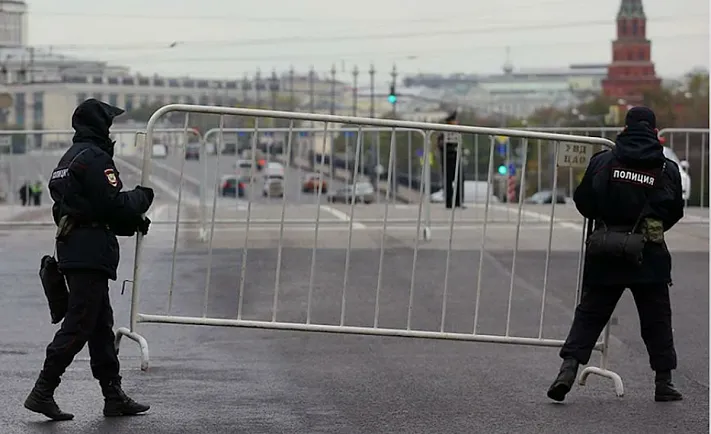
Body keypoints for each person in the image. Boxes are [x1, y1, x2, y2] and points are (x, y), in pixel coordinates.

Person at [24, 99, 155, 421]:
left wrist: (129, 221)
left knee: (99, 326)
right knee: (80, 324)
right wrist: (142, 198)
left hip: (76, 246)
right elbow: (112, 205)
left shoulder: (70, 158)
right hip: (89, 252)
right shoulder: (95, 158)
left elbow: (86, 207)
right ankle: (43, 391)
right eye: (109, 123)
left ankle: (113, 396)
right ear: (100, 126)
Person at [547, 106, 684, 403]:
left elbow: (584, 201)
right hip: (649, 252)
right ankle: (664, 382)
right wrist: (649, 228)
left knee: (590, 314)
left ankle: (568, 370)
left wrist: (608, 222)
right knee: (656, 318)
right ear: (655, 132)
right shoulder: (665, 169)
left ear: (624, 129)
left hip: (606, 249)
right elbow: (675, 211)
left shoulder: (604, 161)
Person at [437, 111, 464, 209]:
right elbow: (440, 145)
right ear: (450, 122)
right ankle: (449, 202)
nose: (456, 122)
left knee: (459, 180)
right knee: (448, 181)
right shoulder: (444, 133)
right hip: (447, 160)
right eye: (454, 120)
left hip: (456, 159)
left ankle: (458, 202)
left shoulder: (457, 132)